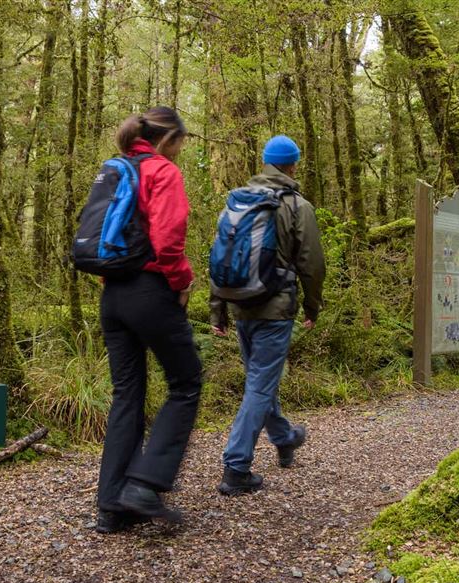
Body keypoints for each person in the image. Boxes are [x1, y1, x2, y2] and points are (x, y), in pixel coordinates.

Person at [94, 106, 201, 533]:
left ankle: (111, 506)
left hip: (112, 294)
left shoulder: (115, 169)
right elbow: (168, 239)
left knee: (127, 394)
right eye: (181, 143)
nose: (180, 152)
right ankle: (144, 483)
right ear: (169, 139)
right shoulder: (162, 171)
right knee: (186, 381)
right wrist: (182, 281)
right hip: (150, 291)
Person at [209, 135, 326, 496]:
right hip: (276, 310)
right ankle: (236, 465)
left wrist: (218, 311)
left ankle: (285, 437)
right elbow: (312, 263)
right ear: (292, 165)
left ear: (265, 163)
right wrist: (312, 305)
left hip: (240, 306)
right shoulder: (295, 205)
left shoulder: (236, 203)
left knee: (261, 379)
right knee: (260, 384)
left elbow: (219, 258)